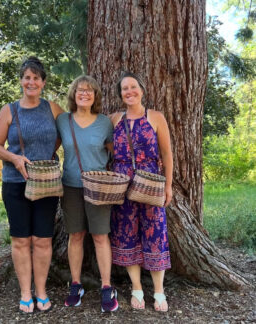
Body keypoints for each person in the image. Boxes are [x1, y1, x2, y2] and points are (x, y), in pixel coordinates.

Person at [0, 57, 63, 314]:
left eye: (36, 78)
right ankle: (25, 294)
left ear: (43, 82)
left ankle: (41, 291)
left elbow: (65, 135)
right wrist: (15, 158)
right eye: (27, 78)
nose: (31, 82)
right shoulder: (9, 110)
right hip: (15, 183)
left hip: (46, 184)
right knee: (21, 240)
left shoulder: (53, 108)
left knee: (42, 240)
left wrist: (45, 157)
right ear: (21, 81)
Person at [109, 72, 173, 312]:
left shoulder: (155, 117)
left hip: (151, 184)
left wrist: (168, 186)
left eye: (133, 87)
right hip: (122, 187)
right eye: (124, 88)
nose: (129, 91)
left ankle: (159, 291)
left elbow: (167, 155)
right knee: (127, 235)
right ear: (121, 94)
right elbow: (104, 146)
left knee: (155, 234)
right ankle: (136, 287)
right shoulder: (114, 119)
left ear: (142, 90)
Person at [56, 75, 118, 313]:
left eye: (90, 91)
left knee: (101, 236)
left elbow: (115, 152)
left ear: (95, 96)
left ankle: (106, 286)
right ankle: (75, 285)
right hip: (70, 186)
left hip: (99, 187)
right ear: (73, 94)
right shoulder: (63, 120)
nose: (84, 94)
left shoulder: (104, 123)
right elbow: (52, 147)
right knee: (76, 235)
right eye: (80, 90)